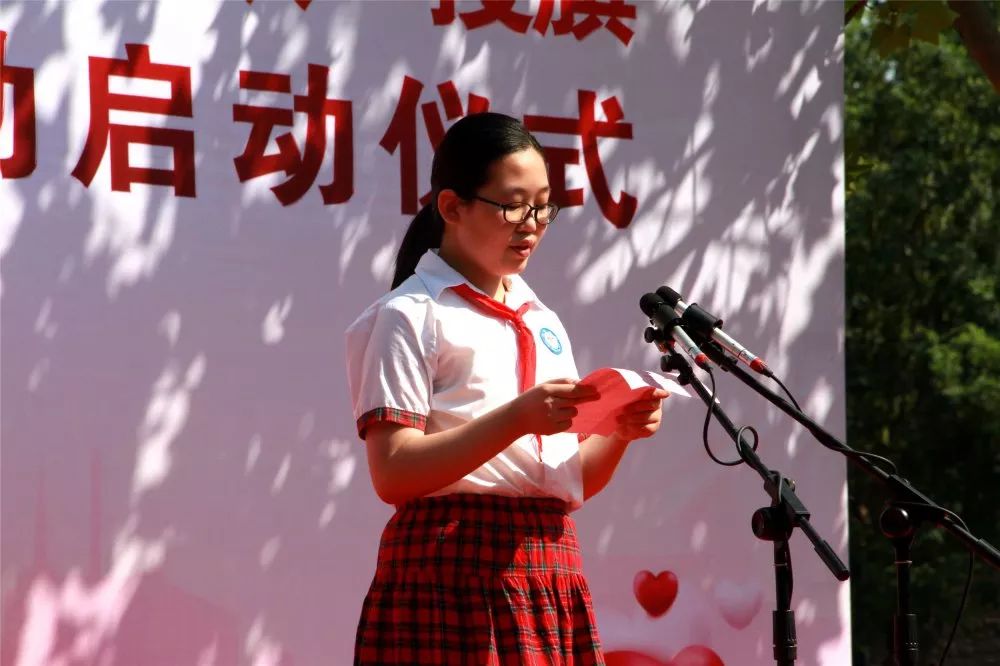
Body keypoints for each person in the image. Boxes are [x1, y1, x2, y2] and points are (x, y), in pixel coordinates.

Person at [345, 111, 668, 665]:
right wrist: (517, 418)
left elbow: (565, 482)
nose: (532, 222)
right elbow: (393, 471)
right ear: (452, 207)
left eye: (544, 205)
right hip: (448, 575)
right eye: (513, 204)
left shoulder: (542, 319)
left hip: (548, 568)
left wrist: (618, 432)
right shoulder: (409, 314)